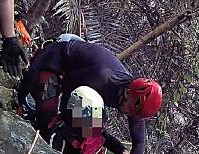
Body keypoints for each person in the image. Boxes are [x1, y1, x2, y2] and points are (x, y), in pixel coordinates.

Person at [17, 40, 162, 154]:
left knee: (87, 131)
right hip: (54, 63)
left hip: (78, 84)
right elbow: (69, 92)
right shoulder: (102, 78)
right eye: (129, 109)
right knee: (48, 122)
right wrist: (21, 95)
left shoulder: (135, 104)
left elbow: (139, 143)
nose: (128, 114)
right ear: (128, 92)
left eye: (133, 114)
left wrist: (120, 149)